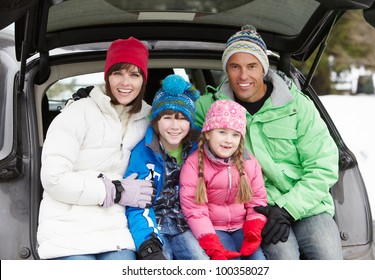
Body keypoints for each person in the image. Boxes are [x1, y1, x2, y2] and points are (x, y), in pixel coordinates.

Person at [194, 25, 344, 260]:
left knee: (328, 257)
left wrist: (287, 209)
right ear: (226, 70)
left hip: (307, 205)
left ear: (263, 68)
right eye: (235, 67)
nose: (243, 76)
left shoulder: (297, 105)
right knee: (284, 259)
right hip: (255, 210)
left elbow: (323, 166)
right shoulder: (211, 107)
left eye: (251, 66)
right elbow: (173, 121)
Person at [37, 37, 155, 260]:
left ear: (143, 80)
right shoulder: (77, 113)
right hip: (67, 232)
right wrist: (115, 190)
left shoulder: (148, 120)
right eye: (118, 72)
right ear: (107, 76)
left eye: (134, 74)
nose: (125, 82)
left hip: (117, 232)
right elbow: (53, 179)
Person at [125, 74, 209, 260]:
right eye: (167, 118)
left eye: (181, 119)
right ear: (156, 121)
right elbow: (138, 205)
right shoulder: (143, 153)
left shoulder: (198, 150)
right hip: (154, 225)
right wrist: (148, 242)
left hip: (185, 224)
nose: (174, 126)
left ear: (190, 122)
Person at [180, 99, 268, 260]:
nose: (228, 140)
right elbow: (194, 210)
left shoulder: (249, 162)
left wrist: (254, 228)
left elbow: (257, 199)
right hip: (214, 230)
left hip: (243, 227)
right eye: (222, 132)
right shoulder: (194, 165)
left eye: (235, 135)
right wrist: (210, 242)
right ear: (207, 133)